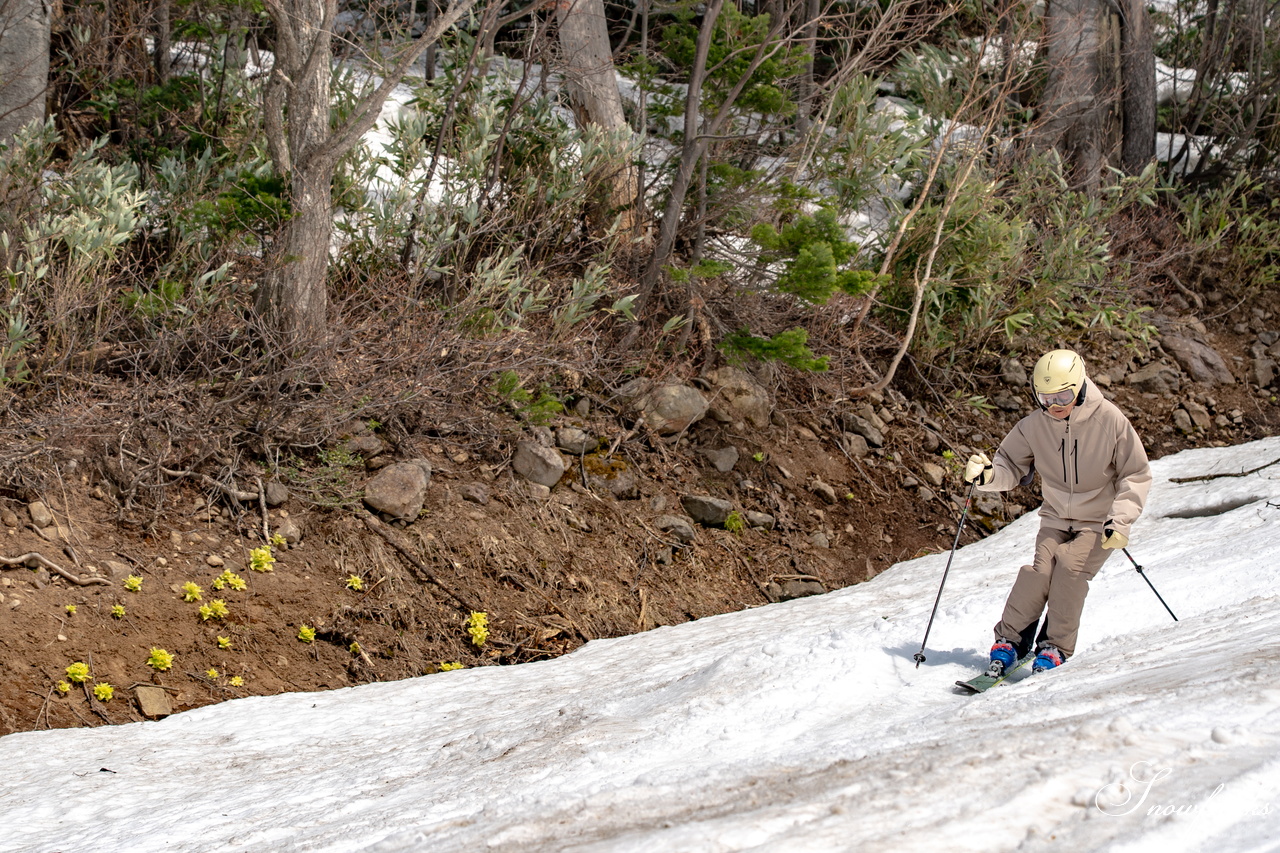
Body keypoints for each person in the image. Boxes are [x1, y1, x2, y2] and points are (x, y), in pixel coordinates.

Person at [963, 349, 1151, 674]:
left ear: (1079, 387)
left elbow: (1135, 474)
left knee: (1069, 571)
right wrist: (988, 476)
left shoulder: (1110, 420)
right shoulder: (1033, 426)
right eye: (1045, 397)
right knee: (1039, 572)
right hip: (1055, 517)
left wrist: (1120, 520)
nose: (1055, 405)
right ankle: (1010, 641)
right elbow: (1009, 465)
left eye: (1063, 395)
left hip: (1097, 522)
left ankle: (1054, 647)